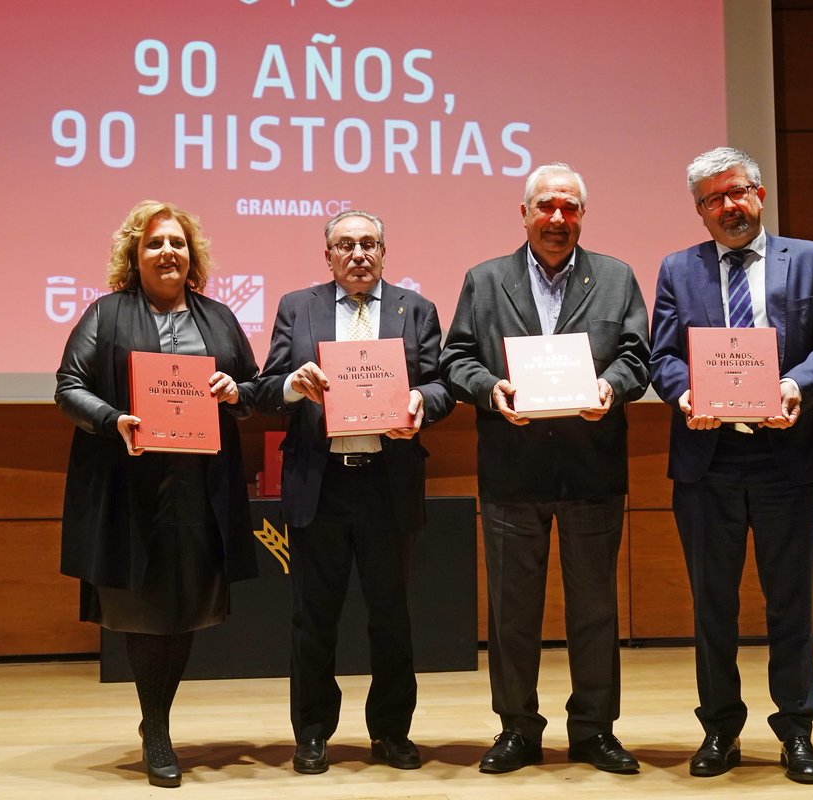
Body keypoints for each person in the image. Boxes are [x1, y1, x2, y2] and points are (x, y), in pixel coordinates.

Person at [649, 147, 813, 784]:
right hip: (708, 461)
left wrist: (796, 385)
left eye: (737, 192)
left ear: (759, 194)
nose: (729, 206)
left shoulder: (809, 258)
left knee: (789, 602)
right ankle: (719, 727)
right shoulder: (677, 268)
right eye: (713, 199)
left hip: (785, 457)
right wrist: (685, 394)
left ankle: (797, 729)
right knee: (713, 606)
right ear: (699, 211)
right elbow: (662, 357)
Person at [440, 163, 650, 774]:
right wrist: (488, 388)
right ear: (524, 213)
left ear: (582, 214)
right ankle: (517, 729)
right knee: (511, 613)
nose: (557, 219)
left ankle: (594, 730)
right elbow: (456, 357)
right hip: (512, 470)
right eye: (546, 207)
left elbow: (638, 355)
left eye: (569, 208)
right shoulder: (485, 280)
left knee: (595, 609)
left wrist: (612, 386)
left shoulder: (615, 277)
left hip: (592, 471)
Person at [56, 200, 259, 788]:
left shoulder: (219, 318)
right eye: (154, 243)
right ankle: (159, 727)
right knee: (144, 611)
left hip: (200, 487)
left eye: (177, 242)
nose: (167, 251)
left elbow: (253, 387)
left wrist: (232, 390)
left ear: (191, 255)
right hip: (130, 486)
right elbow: (68, 386)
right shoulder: (106, 314)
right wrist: (112, 418)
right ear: (133, 256)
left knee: (183, 606)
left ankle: (157, 720)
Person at [251, 210, 454, 774]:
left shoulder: (416, 310)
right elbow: (267, 386)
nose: (358, 254)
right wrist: (293, 385)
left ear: (385, 251)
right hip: (322, 483)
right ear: (328, 255)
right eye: (346, 245)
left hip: (387, 484)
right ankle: (312, 733)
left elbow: (440, 385)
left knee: (391, 616)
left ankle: (391, 732)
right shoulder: (299, 306)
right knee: (314, 618)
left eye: (369, 244)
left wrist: (421, 404)